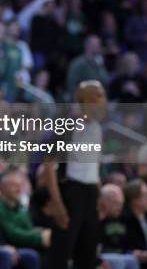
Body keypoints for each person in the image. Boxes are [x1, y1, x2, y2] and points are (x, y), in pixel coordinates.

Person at [44, 80, 106, 269]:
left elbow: (93, 166)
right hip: (71, 191)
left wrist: (99, 194)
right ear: (85, 99)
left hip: (90, 192)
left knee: (87, 252)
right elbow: (48, 167)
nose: (103, 101)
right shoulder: (66, 126)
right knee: (62, 251)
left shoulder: (98, 128)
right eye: (99, 96)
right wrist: (57, 202)